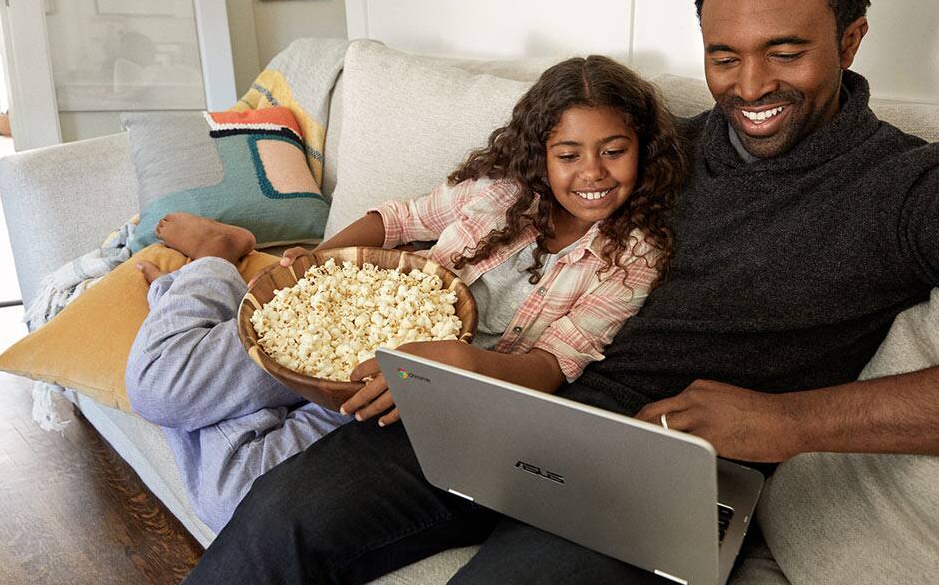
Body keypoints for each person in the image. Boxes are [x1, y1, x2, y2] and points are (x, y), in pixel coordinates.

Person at [180, 0, 939, 584]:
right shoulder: (650, 151)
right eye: (724, 57)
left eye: (786, 51)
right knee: (281, 515)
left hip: (662, 467)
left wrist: (791, 423)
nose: (750, 85)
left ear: (852, 39)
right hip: (504, 407)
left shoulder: (912, 187)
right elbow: (512, 197)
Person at [125, 55, 686, 531]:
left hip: (402, 388)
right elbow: (393, 221)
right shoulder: (500, 191)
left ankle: (201, 308)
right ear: (541, 152)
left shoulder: (634, 258)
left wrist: (460, 365)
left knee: (232, 502)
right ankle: (218, 262)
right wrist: (317, 264)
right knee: (155, 392)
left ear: (643, 149)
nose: (591, 172)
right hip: (334, 320)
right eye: (568, 154)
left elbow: (551, 365)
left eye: (614, 151)